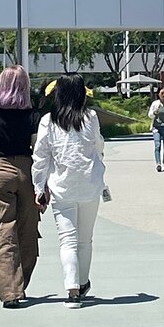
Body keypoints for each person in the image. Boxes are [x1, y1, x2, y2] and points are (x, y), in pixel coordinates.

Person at [32, 73, 106, 310]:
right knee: (85, 240)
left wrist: (39, 186)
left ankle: (72, 291)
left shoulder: (49, 121)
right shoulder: (90, 117)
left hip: (61, 186)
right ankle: (82, 283)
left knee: (67, 241)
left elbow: (40, 156)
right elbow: (98, 145)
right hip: (90, 185)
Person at [0, 66, 40, 309]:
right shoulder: (33, 115)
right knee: (28, 229)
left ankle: (10, 291)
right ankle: (21, 282)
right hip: (26, 168)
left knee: (2, 230)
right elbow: (35, 146)